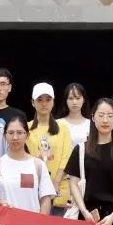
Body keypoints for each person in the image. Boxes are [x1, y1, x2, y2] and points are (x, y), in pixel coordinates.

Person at [0, 115, 55, 214]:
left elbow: (45, 199)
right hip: (5, 222)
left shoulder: (38, 165)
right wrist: (0, 203)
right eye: (10, 133)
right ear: (4, 136)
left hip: (31, 222)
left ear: (27, 135)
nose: (15, 137)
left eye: (20, 133)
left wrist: (41, 221)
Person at [26, 82, 73, 216]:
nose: (44, 104)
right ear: (32, 102)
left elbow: (66, 157)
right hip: (34, 187)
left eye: (48, 99)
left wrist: (55, 183)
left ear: (53, 102)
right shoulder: (26, 128)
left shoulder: (63, 127)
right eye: (39, 100)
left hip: (59, 187)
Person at [57, 81, 92, 148]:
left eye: (78, 98)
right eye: (71, 98)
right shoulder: (58, 123)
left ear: (84, 100)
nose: (74, 102)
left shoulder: (91, 124)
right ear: (66, 100)